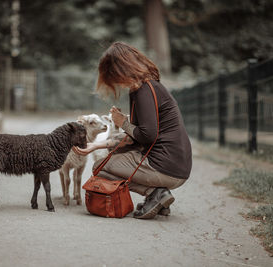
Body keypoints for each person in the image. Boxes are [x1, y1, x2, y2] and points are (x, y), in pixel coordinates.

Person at [73, 41, 192, 219]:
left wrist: (122, 123)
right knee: (112, 151)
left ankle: (155, 193)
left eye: (111, 75)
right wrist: (95, 147)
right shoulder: (146, 87)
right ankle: (158, 196)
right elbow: (133, 138)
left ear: (119, 70)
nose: (113, 81)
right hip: (176, 166)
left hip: (167, 167)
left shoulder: (144, 90)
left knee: (100, 168)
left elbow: (147, 135)